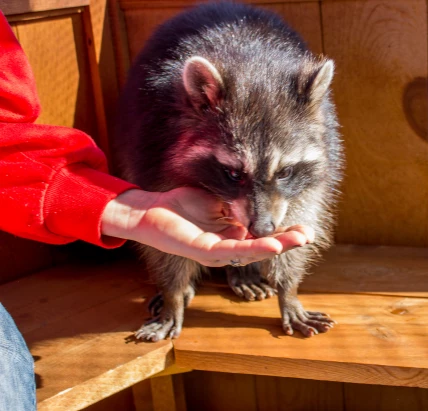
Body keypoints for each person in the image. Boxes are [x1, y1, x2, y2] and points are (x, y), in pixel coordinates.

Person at [0, 11, 313, 411]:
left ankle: (243, 267)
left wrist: (121, 209)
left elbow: (6, 140)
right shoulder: (183, 127)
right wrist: (170, 290)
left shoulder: (295, 111)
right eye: (234, 173)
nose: (262, 217)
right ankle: (175, 295)